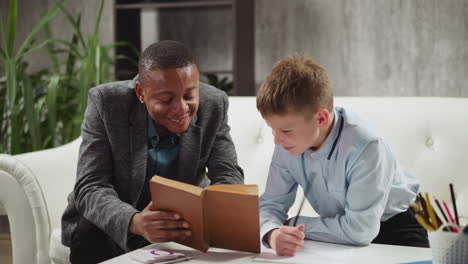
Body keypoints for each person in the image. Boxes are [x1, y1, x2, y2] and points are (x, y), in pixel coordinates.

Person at [61, 40, 244, 263]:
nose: (181, 108)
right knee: (90, 230)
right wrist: (135, 221)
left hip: (180, 223)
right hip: (116, 220)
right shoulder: (106, 103)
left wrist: (210, 211)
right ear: (141, 92)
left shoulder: (215, 103)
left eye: (189, 96)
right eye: (166, 99)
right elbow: (90, 185)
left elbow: (228, 173)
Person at [257, 55, 428, 256]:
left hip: (398, 232)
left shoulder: (367, 146)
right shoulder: (287, 143)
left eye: (285, 131)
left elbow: (361, 231)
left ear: (321, 118)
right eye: (273, 129)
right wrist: (272, 233)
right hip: (339, 235)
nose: (276, 140)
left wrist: (294, 223)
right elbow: (271, 203)